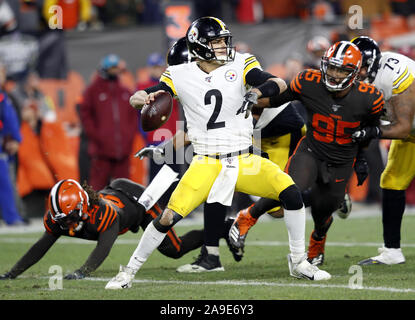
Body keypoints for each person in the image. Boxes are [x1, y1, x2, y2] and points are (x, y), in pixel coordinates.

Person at [105, 16, 331, 289]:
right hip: (206, 162)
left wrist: (256, 91)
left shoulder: (242, 62)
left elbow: (279, 84)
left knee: (291, 193)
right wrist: (139, 97)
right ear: (200, 46)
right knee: (167, 217)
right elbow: (148, 94)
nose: (224, 46)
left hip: (244, 158)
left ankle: (298, 262)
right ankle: (128, 272)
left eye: (224, 41)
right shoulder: (180, 73)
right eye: (217, 42)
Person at [228, 41, 385, 267]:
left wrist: (360, 157)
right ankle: (247, 217)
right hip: (311, 150)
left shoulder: (370, 97)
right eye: (331, 67)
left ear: (355, 72)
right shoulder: (308, 81)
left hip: (341, 160)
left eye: (341, 70)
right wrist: (252, 97)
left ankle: (318, 241)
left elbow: (372, 129)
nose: (334, 74)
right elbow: (277, 100)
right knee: (290, 188)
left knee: (323, 211)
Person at [0, 178, 205, 280]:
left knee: (174, 249)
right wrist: (12, 274)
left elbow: (103, 248)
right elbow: (40, 247)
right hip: (116, 191)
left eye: (69, 218)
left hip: (140, 202)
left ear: (82, 206)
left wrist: (82, 272)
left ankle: (217, 231)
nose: (65, 224)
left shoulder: (103, 214)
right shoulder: (63, 216)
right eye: (61, 218)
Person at [350, 36, 415, 265]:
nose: (352, 74)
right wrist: (359, 157)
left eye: (357, 69)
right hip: (409, 134)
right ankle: (392, 251)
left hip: (406, 128)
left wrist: (372, 133)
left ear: (371, 64)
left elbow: (403, 126)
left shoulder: (394, 73)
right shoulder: (357, 82)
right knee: (392, 181)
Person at [78, 54, 138, 191]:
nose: (115, 71)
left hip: (122, 151)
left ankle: (122, 213)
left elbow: (133, 116)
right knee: (97, 189)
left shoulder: (125, 92)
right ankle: (95, 213)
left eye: (116, 67)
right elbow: (86, 116)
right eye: (112, 68)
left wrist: (128, 136)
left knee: (124, 189)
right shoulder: (92, 91)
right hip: (101, 152)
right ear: (104, 69)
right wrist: (97, 136)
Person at [0, 85, 24, 225]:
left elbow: (10, 119)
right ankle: (11, 216)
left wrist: (14, 138)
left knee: (6, 182)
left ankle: (12, 216)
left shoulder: (3, 96)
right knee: (5, 183)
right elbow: (10, 118)